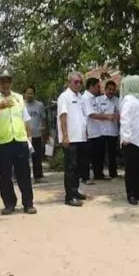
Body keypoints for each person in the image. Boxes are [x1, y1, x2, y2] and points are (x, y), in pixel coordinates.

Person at [0, 69, 37, 215]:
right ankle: (9, 204)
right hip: (2, 142)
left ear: (11, 82)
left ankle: (28, 204)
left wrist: (29, 139)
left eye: (8, 80)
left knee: (24, 174)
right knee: (5, 175)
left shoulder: (19, 97)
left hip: (19, 140)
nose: (6, 84)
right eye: (2, 81)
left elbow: (26, 120)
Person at [57, 72, 89, 207]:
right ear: (69, 82)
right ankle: (69, 197)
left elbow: (83, 117)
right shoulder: (64, 97)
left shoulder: (80, 97)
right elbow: (63, 116)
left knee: (78, 167)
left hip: (80, 137)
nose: (78, 84)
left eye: (80, 82)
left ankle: (75, 191)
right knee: (70, 167)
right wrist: (65, 136)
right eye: (76, 82)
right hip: (70, 138)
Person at [119, 75, 139, 205]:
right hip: (131, 141)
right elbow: (125, 119)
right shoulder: (128, 100)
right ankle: (131, 194)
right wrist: (126, 137)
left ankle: (138, 192)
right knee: (131, 170)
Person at [83, 78, 117, 183]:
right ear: (92, 86)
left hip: (97, 131)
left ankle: (98, 174)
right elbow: (92, 114)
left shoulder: (92, 98)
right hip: (89, 130)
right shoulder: (86, 98)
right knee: (89, 156)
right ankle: (86, 177)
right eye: (98, 86)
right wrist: (107, 116)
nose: (99, 89)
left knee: (98, 155)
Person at [95, 80, 120, 179]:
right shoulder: (98, 100)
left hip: (113, 131)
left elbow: (120, 114)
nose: (111, 92)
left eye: (113, 90)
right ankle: (99, 174)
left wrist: (117, 116)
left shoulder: (117, 100)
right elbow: (95, 114)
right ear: (105, 89)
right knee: (100, 153)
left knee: (112, 154)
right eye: (109, 89)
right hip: (101, 131)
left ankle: (113, 173)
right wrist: (107, 116)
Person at [24, 86, 47, 183]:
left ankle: (38, 176)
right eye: (28, 93)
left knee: (37, 156)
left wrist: (44, 130)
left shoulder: (39, 105)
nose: (29, 95)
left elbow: (43, 118)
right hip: (24, 136)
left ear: (34, 94)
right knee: (24, 158)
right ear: (24, 94)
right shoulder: (21, 105)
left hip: (36, 134)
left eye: (31, 93)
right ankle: (24, 177)